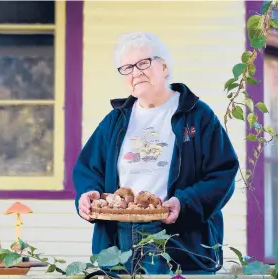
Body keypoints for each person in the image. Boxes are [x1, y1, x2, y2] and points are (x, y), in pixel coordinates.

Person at [72, 31, 239, 275]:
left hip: (177, 240)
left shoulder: (197, 115)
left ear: (164, 66)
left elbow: (223, 173)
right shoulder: (115, 121)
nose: (135, 73)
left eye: (143, 63)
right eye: (127, 67)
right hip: (119, 240)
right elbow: (88, 169)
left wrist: (185, 203)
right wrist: (88, 194)